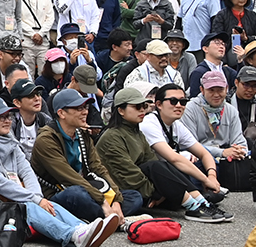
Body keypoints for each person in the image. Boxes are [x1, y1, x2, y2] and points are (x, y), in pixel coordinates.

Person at [0, 96, 117, 247]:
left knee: (46, 205)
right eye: (0, 117)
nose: (7, 120)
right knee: (29, 206)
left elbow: (27, 171)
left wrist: (37, 197)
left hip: (8, 195)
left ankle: (83, 228)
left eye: (8, 116)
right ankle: (73, 235)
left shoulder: (9, 140)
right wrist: (35, 200)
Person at [97, 85, 227, 219]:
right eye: (137, 107)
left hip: (140, 181)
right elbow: (126, 174)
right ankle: (193, 207)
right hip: (120, 187)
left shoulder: (136, 131)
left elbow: (151, 159)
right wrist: (158, 192)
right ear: (121, 110)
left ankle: (201, 203)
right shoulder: (112, 137)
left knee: (163, 165)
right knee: (154, 173)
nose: (142, 110)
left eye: (144, 106)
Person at [30, 88, 138, 224]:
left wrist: (115, 199)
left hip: (88, 189)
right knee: (76, 194)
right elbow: (69, 177)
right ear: (61, 113)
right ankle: (110, 217)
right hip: (58, 193)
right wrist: (102, 200)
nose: (85, 112)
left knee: (135, 197)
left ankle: (104, 218)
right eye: (78, 108)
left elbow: (97, 167)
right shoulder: (46, 139)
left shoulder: (82, 133)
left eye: (85, 107)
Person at [138, 83, 231, 217]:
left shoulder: (176, 125)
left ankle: (201, 200)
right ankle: (196, 206)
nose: (179, 105)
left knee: (199, 166)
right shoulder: (149, 123)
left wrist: (212, 176)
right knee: (174, 164)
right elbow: (173, 158)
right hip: (151, 176)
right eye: (173, 101)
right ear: (158, 104)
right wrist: (205, 180)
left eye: (183, 101)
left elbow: (204, 153)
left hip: (170, 174)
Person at [183, 72, 251, 192]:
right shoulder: (190, 109)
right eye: (211, 90)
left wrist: (238, 150)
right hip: (201, 157)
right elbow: (190, 144)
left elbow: (240, 140)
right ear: (202, 90)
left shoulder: (231, 110)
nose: (216, 95)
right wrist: (222, 152)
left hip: (226, 160)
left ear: (226, 89)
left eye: (220, 90)